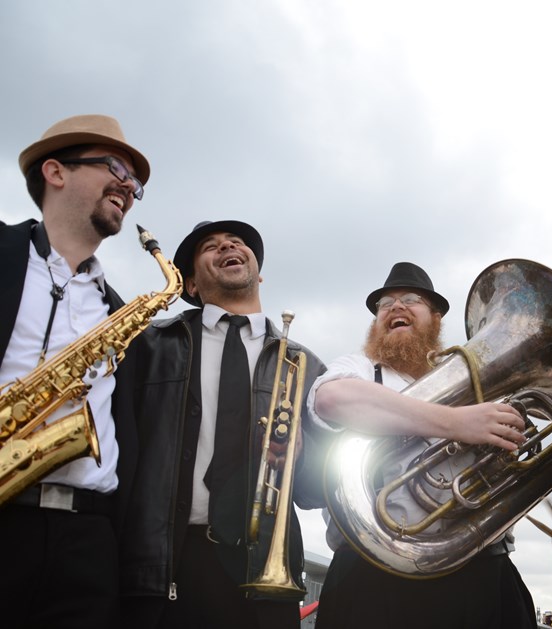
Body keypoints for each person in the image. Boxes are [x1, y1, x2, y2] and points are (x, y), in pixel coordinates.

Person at [118, 220, 328, 629]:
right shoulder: (150, 345)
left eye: (236, 242)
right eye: (210, 247)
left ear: (258, 272)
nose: (228, 247)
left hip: (265, 570)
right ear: (192, 284)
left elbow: (313, 493)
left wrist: (301, 457)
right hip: (166, 562)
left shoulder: (305, 364)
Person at [308, 261, 537, 629]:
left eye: (411, 300)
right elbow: (332, 400)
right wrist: (458, 423)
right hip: (375, 574)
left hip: (480, 570)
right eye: (385, 304)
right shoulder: (360, 368)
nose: (396, 307)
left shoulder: (474, 378)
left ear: (436, 318)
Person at [0, 114, 149, 629]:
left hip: (87, 541)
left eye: (135, 182)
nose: (128, 187)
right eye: (115, 168)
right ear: (56, 171)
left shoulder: (120, 313)